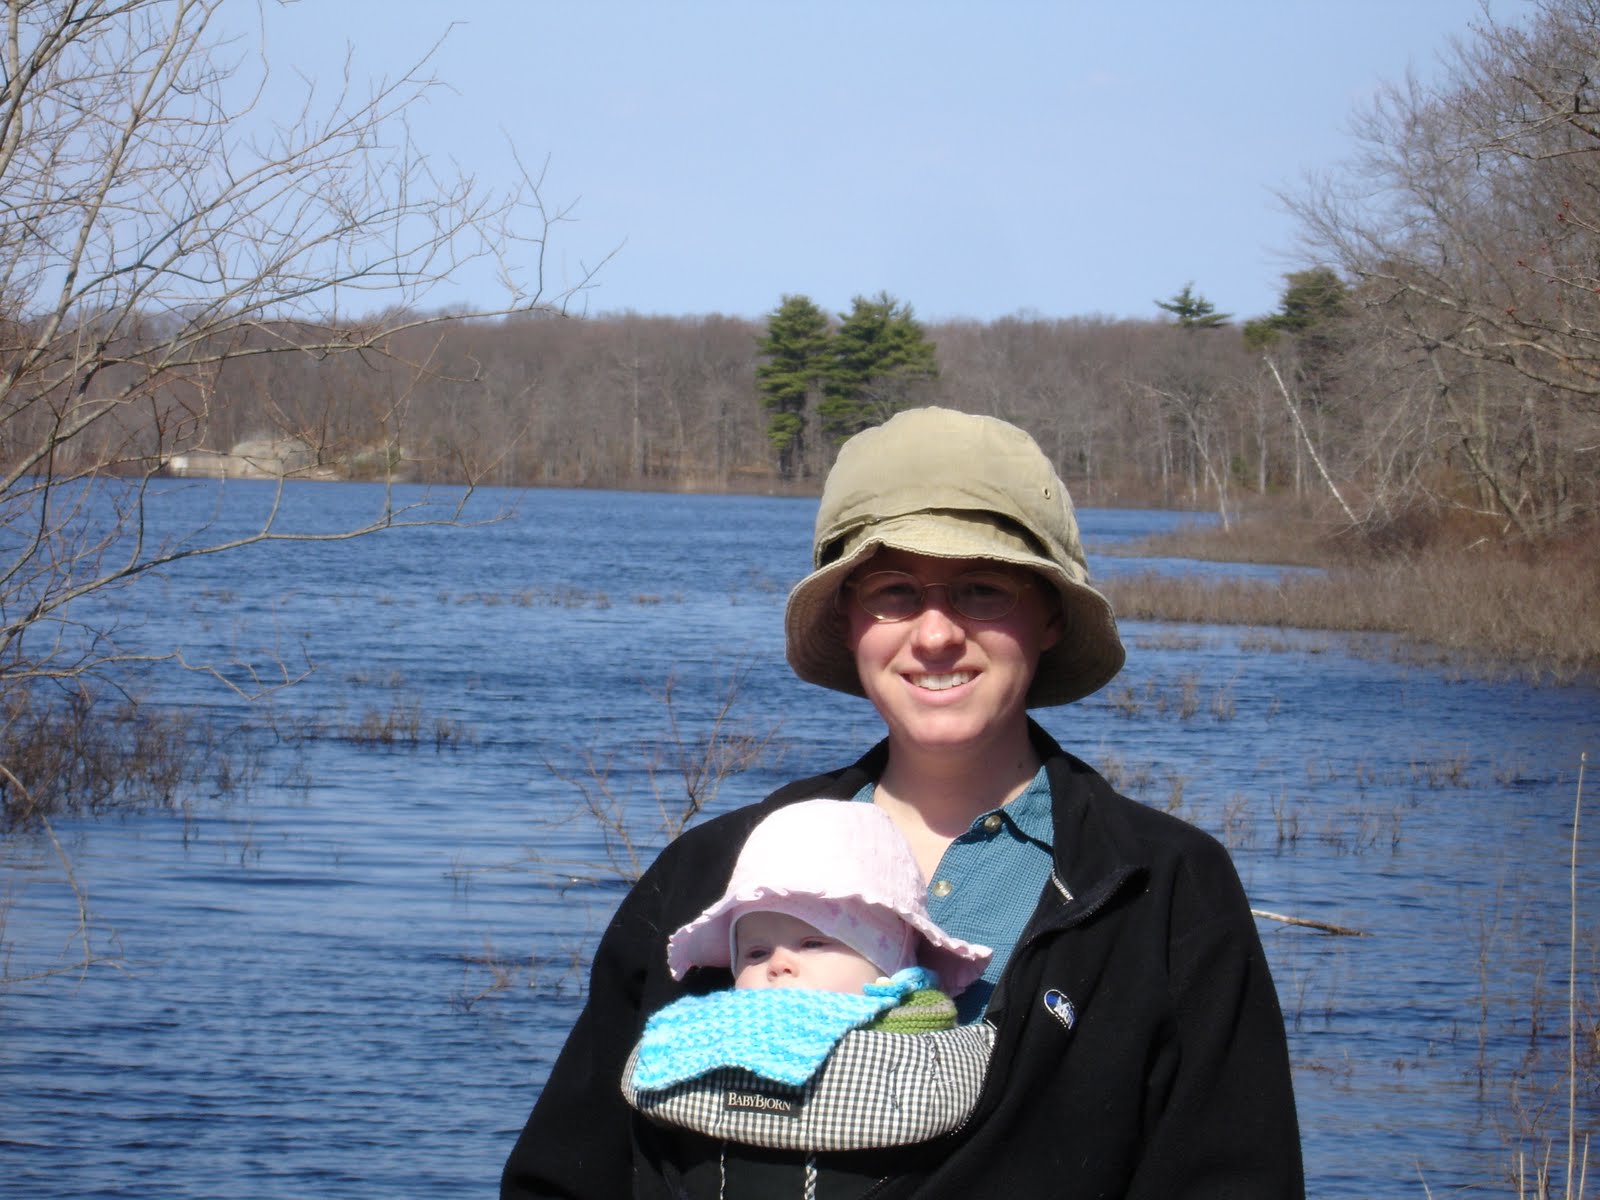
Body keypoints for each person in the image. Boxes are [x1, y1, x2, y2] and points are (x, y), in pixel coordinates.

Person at [502, 406, 1304, 1199]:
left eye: (982, 590)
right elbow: (565, 1178)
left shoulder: (1160, 890)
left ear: (1051, 616)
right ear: (848, 619)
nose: (936, 635)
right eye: (894, 591)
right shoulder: (712, 872)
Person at [620, 799, 997, 1197]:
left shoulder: (926, 1050)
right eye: (756, 953)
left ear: (890, 962)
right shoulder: (700, 1037)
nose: (779, 965)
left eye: (813, 943)